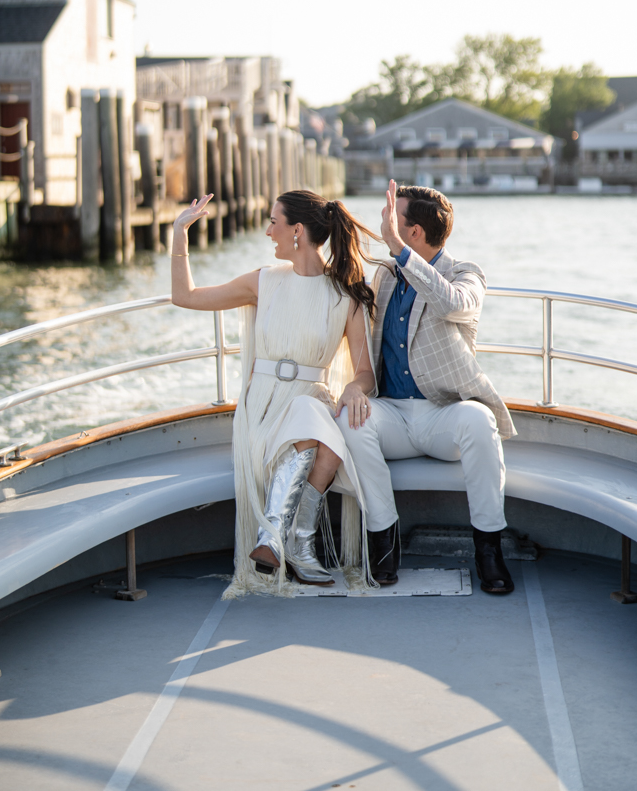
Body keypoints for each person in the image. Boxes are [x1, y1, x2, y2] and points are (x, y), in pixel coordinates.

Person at [171, 189, 378, 595]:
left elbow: (364, 372)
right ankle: (298, 543)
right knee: (323, 442)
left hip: (309, 400)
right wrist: (180, 233)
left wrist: (355, 388)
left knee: (313, 419)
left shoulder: (346, 294)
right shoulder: (262, 282)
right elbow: (186, 297)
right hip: (263, 407)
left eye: (272, 222)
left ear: (296, 231)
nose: (267, 232)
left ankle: (276, 537)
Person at [337, 181, 517, 595]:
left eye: (392, 218)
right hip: (393, 414)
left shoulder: (465, 274)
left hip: (444, 414)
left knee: (479, 420)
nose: (384, 223)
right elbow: (342, 294)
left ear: (413, 232)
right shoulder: (384, 275)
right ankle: (383, 541)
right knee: (351, 419)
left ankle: (488, 550)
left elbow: (454, 303)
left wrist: (401, 252)